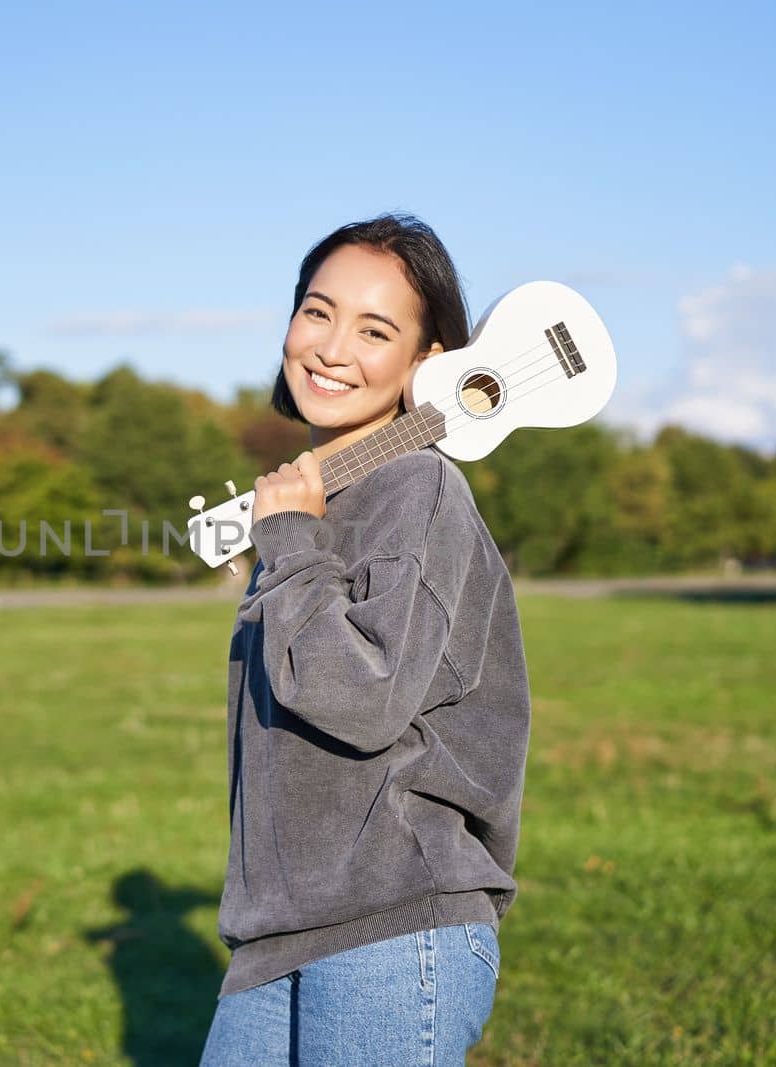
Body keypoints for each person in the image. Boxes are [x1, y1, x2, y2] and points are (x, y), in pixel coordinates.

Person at [199, 214, 532, 1065]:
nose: (332, 346)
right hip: (276, 938)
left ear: (428, 364)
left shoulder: (416, 486)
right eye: (318, 311)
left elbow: (361, 698)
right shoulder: (311, 506)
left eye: (375, 329)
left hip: (391, 930)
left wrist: (293, 546)